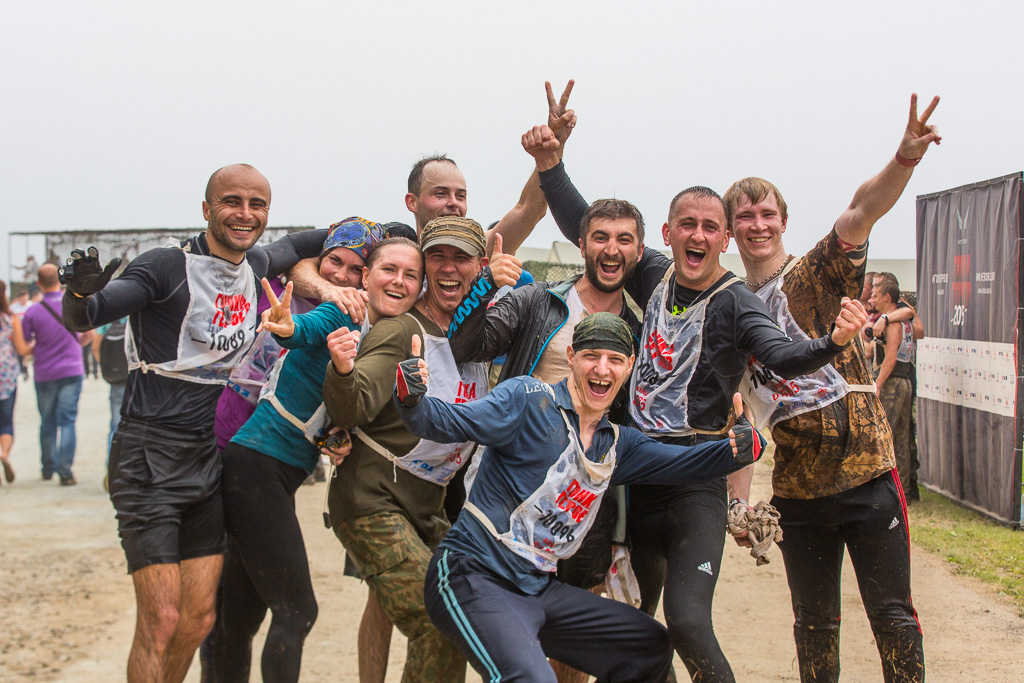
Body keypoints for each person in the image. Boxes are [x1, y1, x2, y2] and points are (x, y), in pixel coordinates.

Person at [527, 123, 867, 682]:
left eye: (711, 227)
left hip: (694, 483)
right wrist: (551, 167)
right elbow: (587, 227)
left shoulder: (736, 302)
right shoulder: (653, 274)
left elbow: (781, 356)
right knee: (630, 626)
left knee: (686, 622)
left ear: (725, 238)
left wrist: (832, 342)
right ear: (668, 232)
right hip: (635, 478)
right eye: (688, 224)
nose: (698, 235)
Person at [58, 164, 329, 683]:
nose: (245, 214)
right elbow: (87, 316)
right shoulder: (165, 266)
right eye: (232, 202)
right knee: (161, 618)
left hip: (206, 459)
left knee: (200, 619)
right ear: (206, 209)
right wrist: (78, 294)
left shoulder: (256, 263)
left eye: (257, 205)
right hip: (147, 457)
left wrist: (378, 229)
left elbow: (307, 241)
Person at [396, 313, 765, 683]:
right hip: (472, 575)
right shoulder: (528, 401)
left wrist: (737, 450)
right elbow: (446, 420)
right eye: (591, 355)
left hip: (538, 589)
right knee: (533, 680)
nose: (602, 369)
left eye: (615, 359)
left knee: (647, 645)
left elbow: (685, 463)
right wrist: (412, 399)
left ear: (629, 367)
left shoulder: (616, 445)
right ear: (571, 356)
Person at [728, 94, 940, 683]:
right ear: (730, 231)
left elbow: (860, 211)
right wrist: (738, 505)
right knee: (814, 626)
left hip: (867, 474)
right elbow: (740, 416)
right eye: (744, 216)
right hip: (798, 493)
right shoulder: (730, 311)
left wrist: (904, 158)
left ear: (783, 222)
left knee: (892, 617)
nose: (757, 224)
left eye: (767, 213)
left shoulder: (815, 273)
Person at [447, 197, 644, 683]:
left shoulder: (640, 328)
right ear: (581, 244)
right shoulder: (541, 300)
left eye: (623, 239)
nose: (611, 249)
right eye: (600, 237)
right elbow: (466, 346)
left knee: (576, 625)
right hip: (510, 484)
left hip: (581, 494)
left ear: (639, 252)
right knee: (502, 617)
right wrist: (485, 283)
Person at [211, 232, 423, 683]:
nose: (397, 281)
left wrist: (335, 434)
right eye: (388, 269)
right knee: (297, 611)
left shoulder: (385, 334)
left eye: (410, 275)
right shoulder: (346, 309)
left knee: (241, 617)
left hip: (269, 469)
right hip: (258, 465)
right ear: (368, 277)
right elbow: (303, 330)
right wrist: (287, 326)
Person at [322, 216, 521, 683]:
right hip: (372, 501)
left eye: (461, 258)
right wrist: (343, 370)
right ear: (426, 267)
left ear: (479, 266)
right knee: (438, 621)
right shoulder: (402, 329)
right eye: (438, 257)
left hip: (428, 508)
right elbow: (352, 406)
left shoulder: (475, 339)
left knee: (463, 621)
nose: (449, 267)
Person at [12, 264, 92, 485]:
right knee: (67, 421)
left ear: (39, 283)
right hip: (72, 370)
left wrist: (39, 347)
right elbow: (89, 334)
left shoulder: (33, 311)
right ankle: (65, 472)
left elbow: (25, 345)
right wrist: (74, 346)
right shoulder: (74, 305)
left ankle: (48, 467)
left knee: (47, 422)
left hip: (45, 372)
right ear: (60, 280)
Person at [870, 277, 917, 498]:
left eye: (876, 295)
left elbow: (890, 359)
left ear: (887, 297)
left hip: (893, 382)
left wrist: (877, 384)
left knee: (886, 437)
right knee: (900, 438)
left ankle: (894, 490)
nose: (873, 299)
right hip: (903, 381)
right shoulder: (899, 321)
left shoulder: (893, 323)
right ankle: (902, 490)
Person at [0, 281, 18, 484]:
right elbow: (21, 348)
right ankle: (3, 454)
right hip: (6, 378)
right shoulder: (10, 319)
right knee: (6, 422)